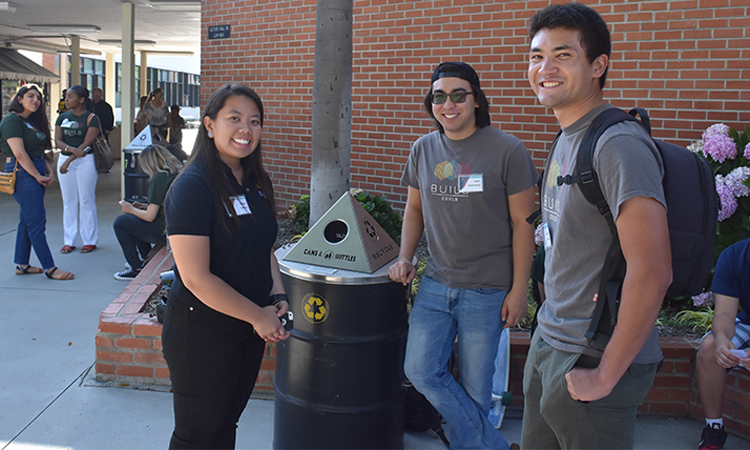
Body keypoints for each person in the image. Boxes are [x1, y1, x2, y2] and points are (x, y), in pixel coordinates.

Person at [521, 3, 672, 449]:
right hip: (552, 342)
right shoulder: (568, 136)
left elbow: (653, 271)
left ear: (598, 65)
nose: (544, 68)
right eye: (536, 55)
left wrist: (606, 375)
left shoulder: (618, 145)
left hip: (592, 355)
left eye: (563, 55)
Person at [388, 61, 537, 450]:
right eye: (439, 96)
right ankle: (498, 446)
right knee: (419, 369)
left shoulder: (508, 150)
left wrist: (520, 289)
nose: (448, 104)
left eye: (458, 95)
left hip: (487, 291)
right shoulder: (423, 148)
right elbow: (415, 210)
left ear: (476, 100)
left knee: (474, 388)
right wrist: (405, 256)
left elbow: (525, 225)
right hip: (436, 283)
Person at [161, 83, 291, 449]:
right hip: (201, 333)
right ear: (208, 125)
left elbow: (263, 245)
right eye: (233, 118)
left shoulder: (255, 181)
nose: (245, 129)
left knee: (225, 426)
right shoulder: (192, 187)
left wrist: (276, 293)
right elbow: (196, 277)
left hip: (246, 327)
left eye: (254, 121)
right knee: (197, 436)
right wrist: (257, 315)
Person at [0, 85, 74, 280]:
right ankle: (49, 268)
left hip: (36, 171)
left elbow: (38, 151)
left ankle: (22, 264)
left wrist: (47, 169)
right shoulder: (11, 121)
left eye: (38, 97)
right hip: (23, 174)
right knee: (36, 222)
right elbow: (19, 153)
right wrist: (36, 175)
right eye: (30, 96)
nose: (35, 100)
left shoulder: (30, 121)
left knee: (26, 220)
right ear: (19, 99)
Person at [695, 237, 750, 450]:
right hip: (746, 322)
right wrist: (721, 341)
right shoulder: (735, 255)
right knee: (710, 348)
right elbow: (725, 314)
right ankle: (713, 430)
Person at [112, 144, 182, 281]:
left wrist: (131, 209)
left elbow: (150, 217)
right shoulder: (175, 173)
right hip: (175, 227)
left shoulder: (159, 178)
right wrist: (143, 207)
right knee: (133, 220)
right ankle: (145, 259)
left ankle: (136, 267)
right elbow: (162, 206)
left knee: (121, 222)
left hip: (164, 231)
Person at [54, 85, 101, 254]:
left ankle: (89, 240)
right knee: (68, 201)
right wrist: (71, 151)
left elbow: (86, 144)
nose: (66, 100)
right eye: (66, 96)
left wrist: (70, 158)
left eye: (70, 96)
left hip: (85, 161)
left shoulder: (92, 118)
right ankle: (69, 240)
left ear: (81, 100)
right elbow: (57, 141)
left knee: (86, 200)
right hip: (66, 157)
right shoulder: (62, 118)